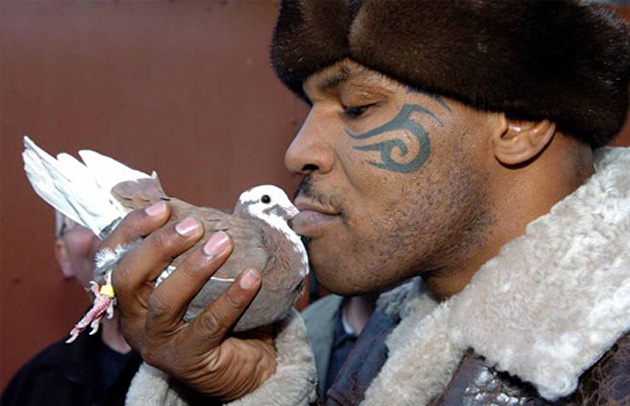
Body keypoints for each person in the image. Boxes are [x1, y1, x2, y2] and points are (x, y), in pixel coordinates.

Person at [104, 0, 630, 405]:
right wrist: (250, 388)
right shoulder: (395, 328)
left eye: (358, 106)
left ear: (520, 122)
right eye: (310, 109)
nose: (297, 153)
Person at [2, 213, 141, 406]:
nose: (104, 231)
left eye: (116, 213)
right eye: (82, 219)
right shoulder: (34, 385)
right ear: (64, 256)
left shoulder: (184, 363)